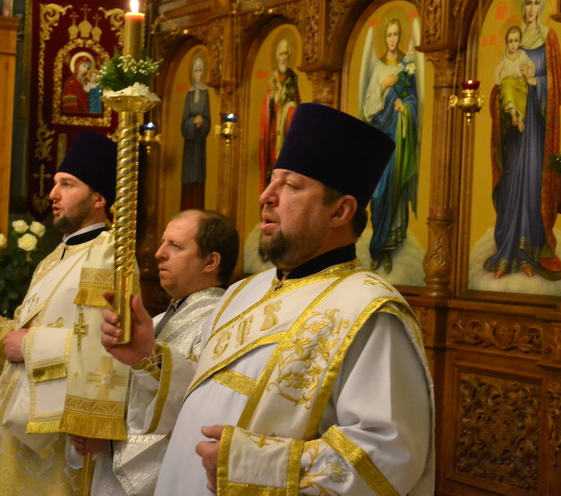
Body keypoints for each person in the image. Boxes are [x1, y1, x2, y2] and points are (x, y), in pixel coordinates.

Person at [102, 103, 435, 495]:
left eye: (291, 185)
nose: (266, 196)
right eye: (271, 181)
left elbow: (390, 455)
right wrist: (150, 358)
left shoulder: (369, 311)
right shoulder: (244, 292)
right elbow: (208, 393)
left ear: (340, 211)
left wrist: (250, 465)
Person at [0, 130, 118, 495]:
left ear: (99, 198)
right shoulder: (53, 258)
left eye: (67, 184)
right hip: (15, 424)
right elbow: (19, 334)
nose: (53, 194)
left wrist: (30, 346)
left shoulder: (108, 257)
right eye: (56, 183)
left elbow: (106, 349)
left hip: (55, 438)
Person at [69, 209, 239, 495]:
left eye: (176, 246)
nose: (159, 253)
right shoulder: (157, 321)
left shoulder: (223, 324)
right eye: (162, 243)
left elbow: (198, 413)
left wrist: (114, 444)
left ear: (211, 261)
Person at [485, 0, 561, 279]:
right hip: (513, 131)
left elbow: (557, 87)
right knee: (510, 183)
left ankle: (530, 252)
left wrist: (535, 83)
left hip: (536, 130)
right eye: (528, 3)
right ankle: (508, 252)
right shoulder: (513, 38)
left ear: (542, 7)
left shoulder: (550, 38)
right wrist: (504, 96)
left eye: (536, 2)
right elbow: (499, 82)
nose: (531, 8)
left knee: (532, 184)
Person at [361, 18, 419, 274]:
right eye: (389, 35)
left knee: (394, 189)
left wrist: (404, 107)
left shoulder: (408, 66)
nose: (393, 39)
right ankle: (377, 245)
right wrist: (383, 87)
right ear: (384, 39)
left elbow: (414, 101)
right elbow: (368, 108)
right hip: (379, 137)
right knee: (377, 194)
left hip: (399, 137)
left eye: (396, 34)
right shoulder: (379, 67)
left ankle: (387, 249)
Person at [259, 36, 299, 189]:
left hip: (286, 133)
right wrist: (271, 101)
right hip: (273, 133)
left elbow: (298, 106)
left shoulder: (293, 79)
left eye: (286, 53)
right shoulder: (272, 80)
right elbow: (265, 108)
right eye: (281, 54)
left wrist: (290, 108)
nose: (284, 57)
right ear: (277, 56)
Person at [180, 56, 211, 210]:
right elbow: (184, 121)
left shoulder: (205, 93)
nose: (198, 74)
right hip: (190, 143)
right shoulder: (189, 94)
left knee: (198, 176)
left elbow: (208, 118)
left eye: (200, 70)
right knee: (188, 176)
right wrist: (193, 122)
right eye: (196, 71)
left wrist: (202, 122)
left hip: (200, 142)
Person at [494, 26, 534, 133]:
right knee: (508, 91)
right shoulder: (504, 58)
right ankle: (513, 116)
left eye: (516, 41)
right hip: (508, 83)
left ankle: (520, 119)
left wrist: (529, 70)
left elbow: (530, 64)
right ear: (507, 43)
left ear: (519, 42)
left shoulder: (522, 55)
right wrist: (500, 68)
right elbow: (498, 78)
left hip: (520, 84)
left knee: (523, 99)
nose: (513, 44)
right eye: (510, 41)